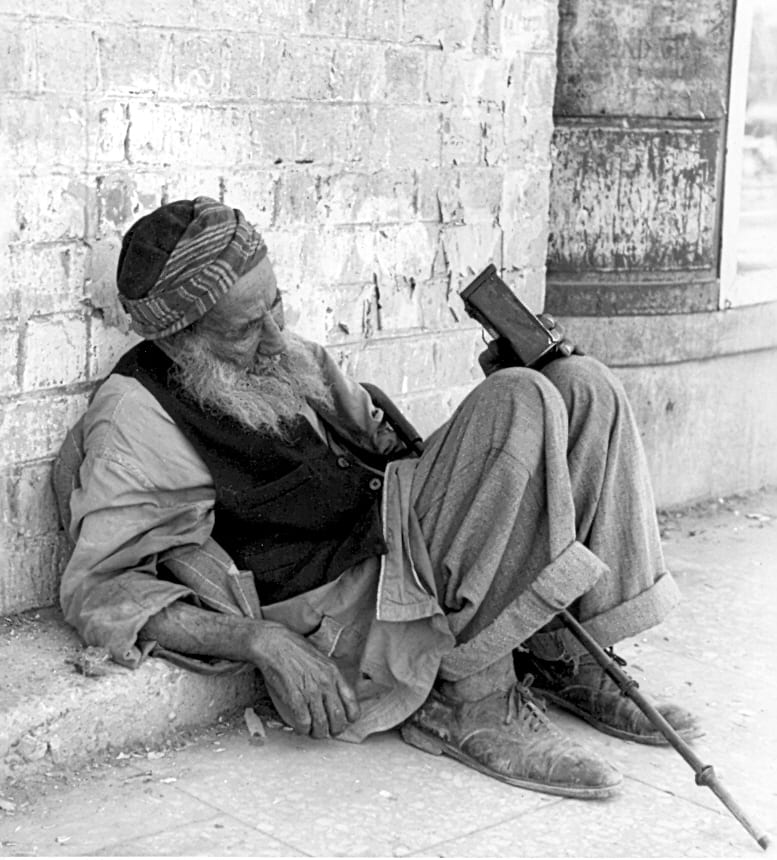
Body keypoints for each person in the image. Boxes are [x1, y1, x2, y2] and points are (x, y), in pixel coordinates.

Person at [56, 196, 699, 801]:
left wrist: (518, 372)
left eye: (276, 306)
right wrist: (259, 641)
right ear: (182, 338)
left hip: (393, 540)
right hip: (353, 606)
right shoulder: (138, 420)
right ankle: (467, 700)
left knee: (579, 384)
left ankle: (560, 650)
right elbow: (101, 590)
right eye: (248, 328)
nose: (278, 335)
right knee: (520, 403)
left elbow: (395, 450)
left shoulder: (279, 353)